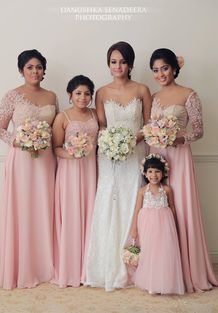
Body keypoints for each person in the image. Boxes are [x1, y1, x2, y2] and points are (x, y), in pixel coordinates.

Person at [149, 48, 218, 292]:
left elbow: (198, 130)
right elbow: (150, 128)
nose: (160, 74)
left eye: (164, 68)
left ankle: (189, 269)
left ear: (174, 68)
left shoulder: (189, 94)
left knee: (181, 207)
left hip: (179, 156)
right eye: (155, 70)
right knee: (160, 209)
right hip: (157, 156)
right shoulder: (154, 97)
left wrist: (176, 139)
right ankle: (163, 268)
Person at [86, 41, 152, 291]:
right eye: (114, 62)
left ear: (131, 64)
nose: (118, 66)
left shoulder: (143, 89)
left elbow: (149, 124)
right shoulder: (101, 92)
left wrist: (131, 140)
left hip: (135, 154)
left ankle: (135, 263)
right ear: (108, 64)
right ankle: (106, 265)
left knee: (132, 200)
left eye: (123, 61)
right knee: (109, 201)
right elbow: (102, 127)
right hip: (109, 156)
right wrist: (112, 144)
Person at [0, 49, 58, 289]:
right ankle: (21, 266)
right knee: (22, 209)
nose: (35, 71)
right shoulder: (11, 95)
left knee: (45, 208)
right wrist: (21, 141)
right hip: (21, 159)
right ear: (21, 70)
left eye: (39, 67)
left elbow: (56, 128)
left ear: (44, 70)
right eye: (30, 67)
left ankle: (44, 265)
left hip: (46, 160)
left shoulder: (52, 96)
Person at [52, 75, 99, 287]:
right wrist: (72, 155)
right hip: (70, 170)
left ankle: (88, 268)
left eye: (87, 93)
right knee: (72, 213)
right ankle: (70, 268)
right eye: (78, 93)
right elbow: (56, 148)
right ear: (70, 95)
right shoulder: (62, 117)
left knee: (91, 212)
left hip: (91, 169)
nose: (83, 97)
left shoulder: (96, 114)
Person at [130, 154, 184, 295]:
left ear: (163, 173)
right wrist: (134, 228)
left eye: (157, 171)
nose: (154, 175)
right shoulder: (142, 191)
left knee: (164, 252)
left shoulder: (166, 189)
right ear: (145, 173)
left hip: (165, 224)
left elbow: (172, 208)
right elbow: (137, 209)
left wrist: (174, 226)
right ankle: (151, 283)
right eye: (150, 171)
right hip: (147, 224)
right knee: (150, 251)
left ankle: (164, 282)